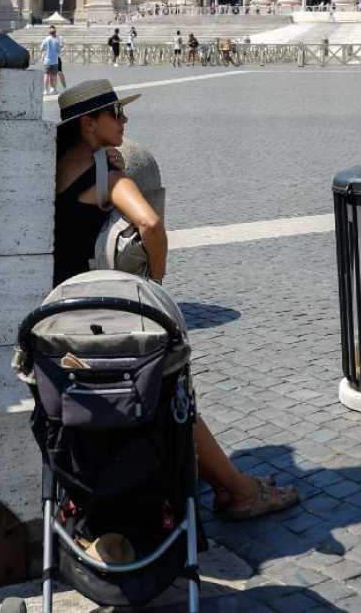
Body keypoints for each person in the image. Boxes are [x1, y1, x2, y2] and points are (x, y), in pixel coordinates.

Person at [52, 81, 299, 521]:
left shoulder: (55, 167)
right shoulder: (107, 176)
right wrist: (157, 280)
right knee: (171, 391)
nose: (125, 121)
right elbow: (149, 224)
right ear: (89, 124)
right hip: (103, 317)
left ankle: (230, 486)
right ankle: (239, 492)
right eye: (116, 113)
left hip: (61, 313)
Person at [40, 26, 65, 95]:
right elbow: (59, 51)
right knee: (54, 76)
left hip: (47, 60)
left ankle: (45, 90)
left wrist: (46, 50)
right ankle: (54, 89)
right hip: (55, 61)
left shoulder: (45, 39)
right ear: (55, 33)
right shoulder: (56, 40)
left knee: (46, 75)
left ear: (49, 33)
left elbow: (41, 48)